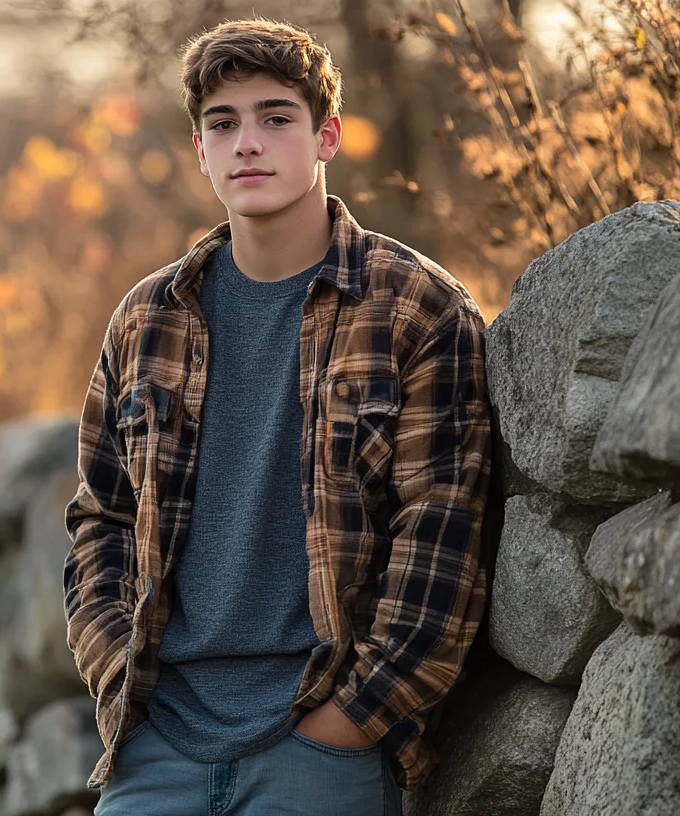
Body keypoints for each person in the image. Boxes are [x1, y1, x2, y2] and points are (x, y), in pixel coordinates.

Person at [62, 17, 493, 816]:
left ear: (327, 135)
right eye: (222, 124)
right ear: (199, 150)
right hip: (157, 746)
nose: (247, 143)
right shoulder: (146, 318)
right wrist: (121, 680)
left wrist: (348, 725)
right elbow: (101, 517)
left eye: (275, 117)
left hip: (320, 747)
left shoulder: (415, 309)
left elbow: (443, 540)